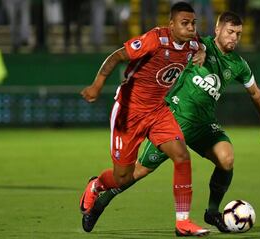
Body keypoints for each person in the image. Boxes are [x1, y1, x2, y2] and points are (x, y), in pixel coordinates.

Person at [84, 11, 260, 233]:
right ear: (217, 30)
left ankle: (212, 212)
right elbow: (176, 42)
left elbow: (255, 94)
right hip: (173, 118)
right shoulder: (195, 44)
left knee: (227, 159)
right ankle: (101, 201)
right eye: (230, 32)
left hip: (204, 125)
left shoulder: (239, 64)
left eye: (238, 33)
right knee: (136, 172)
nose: (234, 37)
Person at [79, 2, 209, 237]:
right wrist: (97, 85)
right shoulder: (154, 40)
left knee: (181, 155)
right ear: (171, 25)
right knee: (122, 177)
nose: (190, 27)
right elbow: (116, 56)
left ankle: (183, 222)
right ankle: (97, 185)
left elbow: (201, 45)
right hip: (129, 112)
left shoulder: (193, 42)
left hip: (158, 111)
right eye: (185, 23)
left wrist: (202, 52)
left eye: (193, 23)